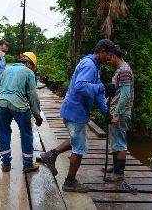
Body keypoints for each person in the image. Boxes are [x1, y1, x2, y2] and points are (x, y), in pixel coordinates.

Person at [39, 39, 116, 193]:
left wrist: (105, 111)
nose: (110, 58)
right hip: (75, 112)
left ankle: (51, 154)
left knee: (77, 140)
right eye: (108, 54)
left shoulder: (95, 66)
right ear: (101, 51)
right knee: (79, 148)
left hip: (74, 111)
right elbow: (81, 87)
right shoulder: (89, 65)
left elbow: (98, 92)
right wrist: (103, 86)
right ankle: (70, 182)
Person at [0, 52, 43, 173]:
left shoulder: (6, 71)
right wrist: (37, 116)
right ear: (30, 63)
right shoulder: (29, 73)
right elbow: (33, 96)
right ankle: (27, 164)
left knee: (3, 132)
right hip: (19, 106)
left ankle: (5, 163)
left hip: (2, 103)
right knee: (26, 133)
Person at [104, 45, 134, 182]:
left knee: (120, 142)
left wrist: (116, 114)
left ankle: (119, 173)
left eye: (108, 57)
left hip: (120, 113)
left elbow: (125, 95)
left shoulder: (125, 71)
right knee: (115, 140)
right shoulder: (120, 70)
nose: (106, 60)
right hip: (115, 110)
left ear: (113, 55)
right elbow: (116, 92)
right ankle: (115, 167)